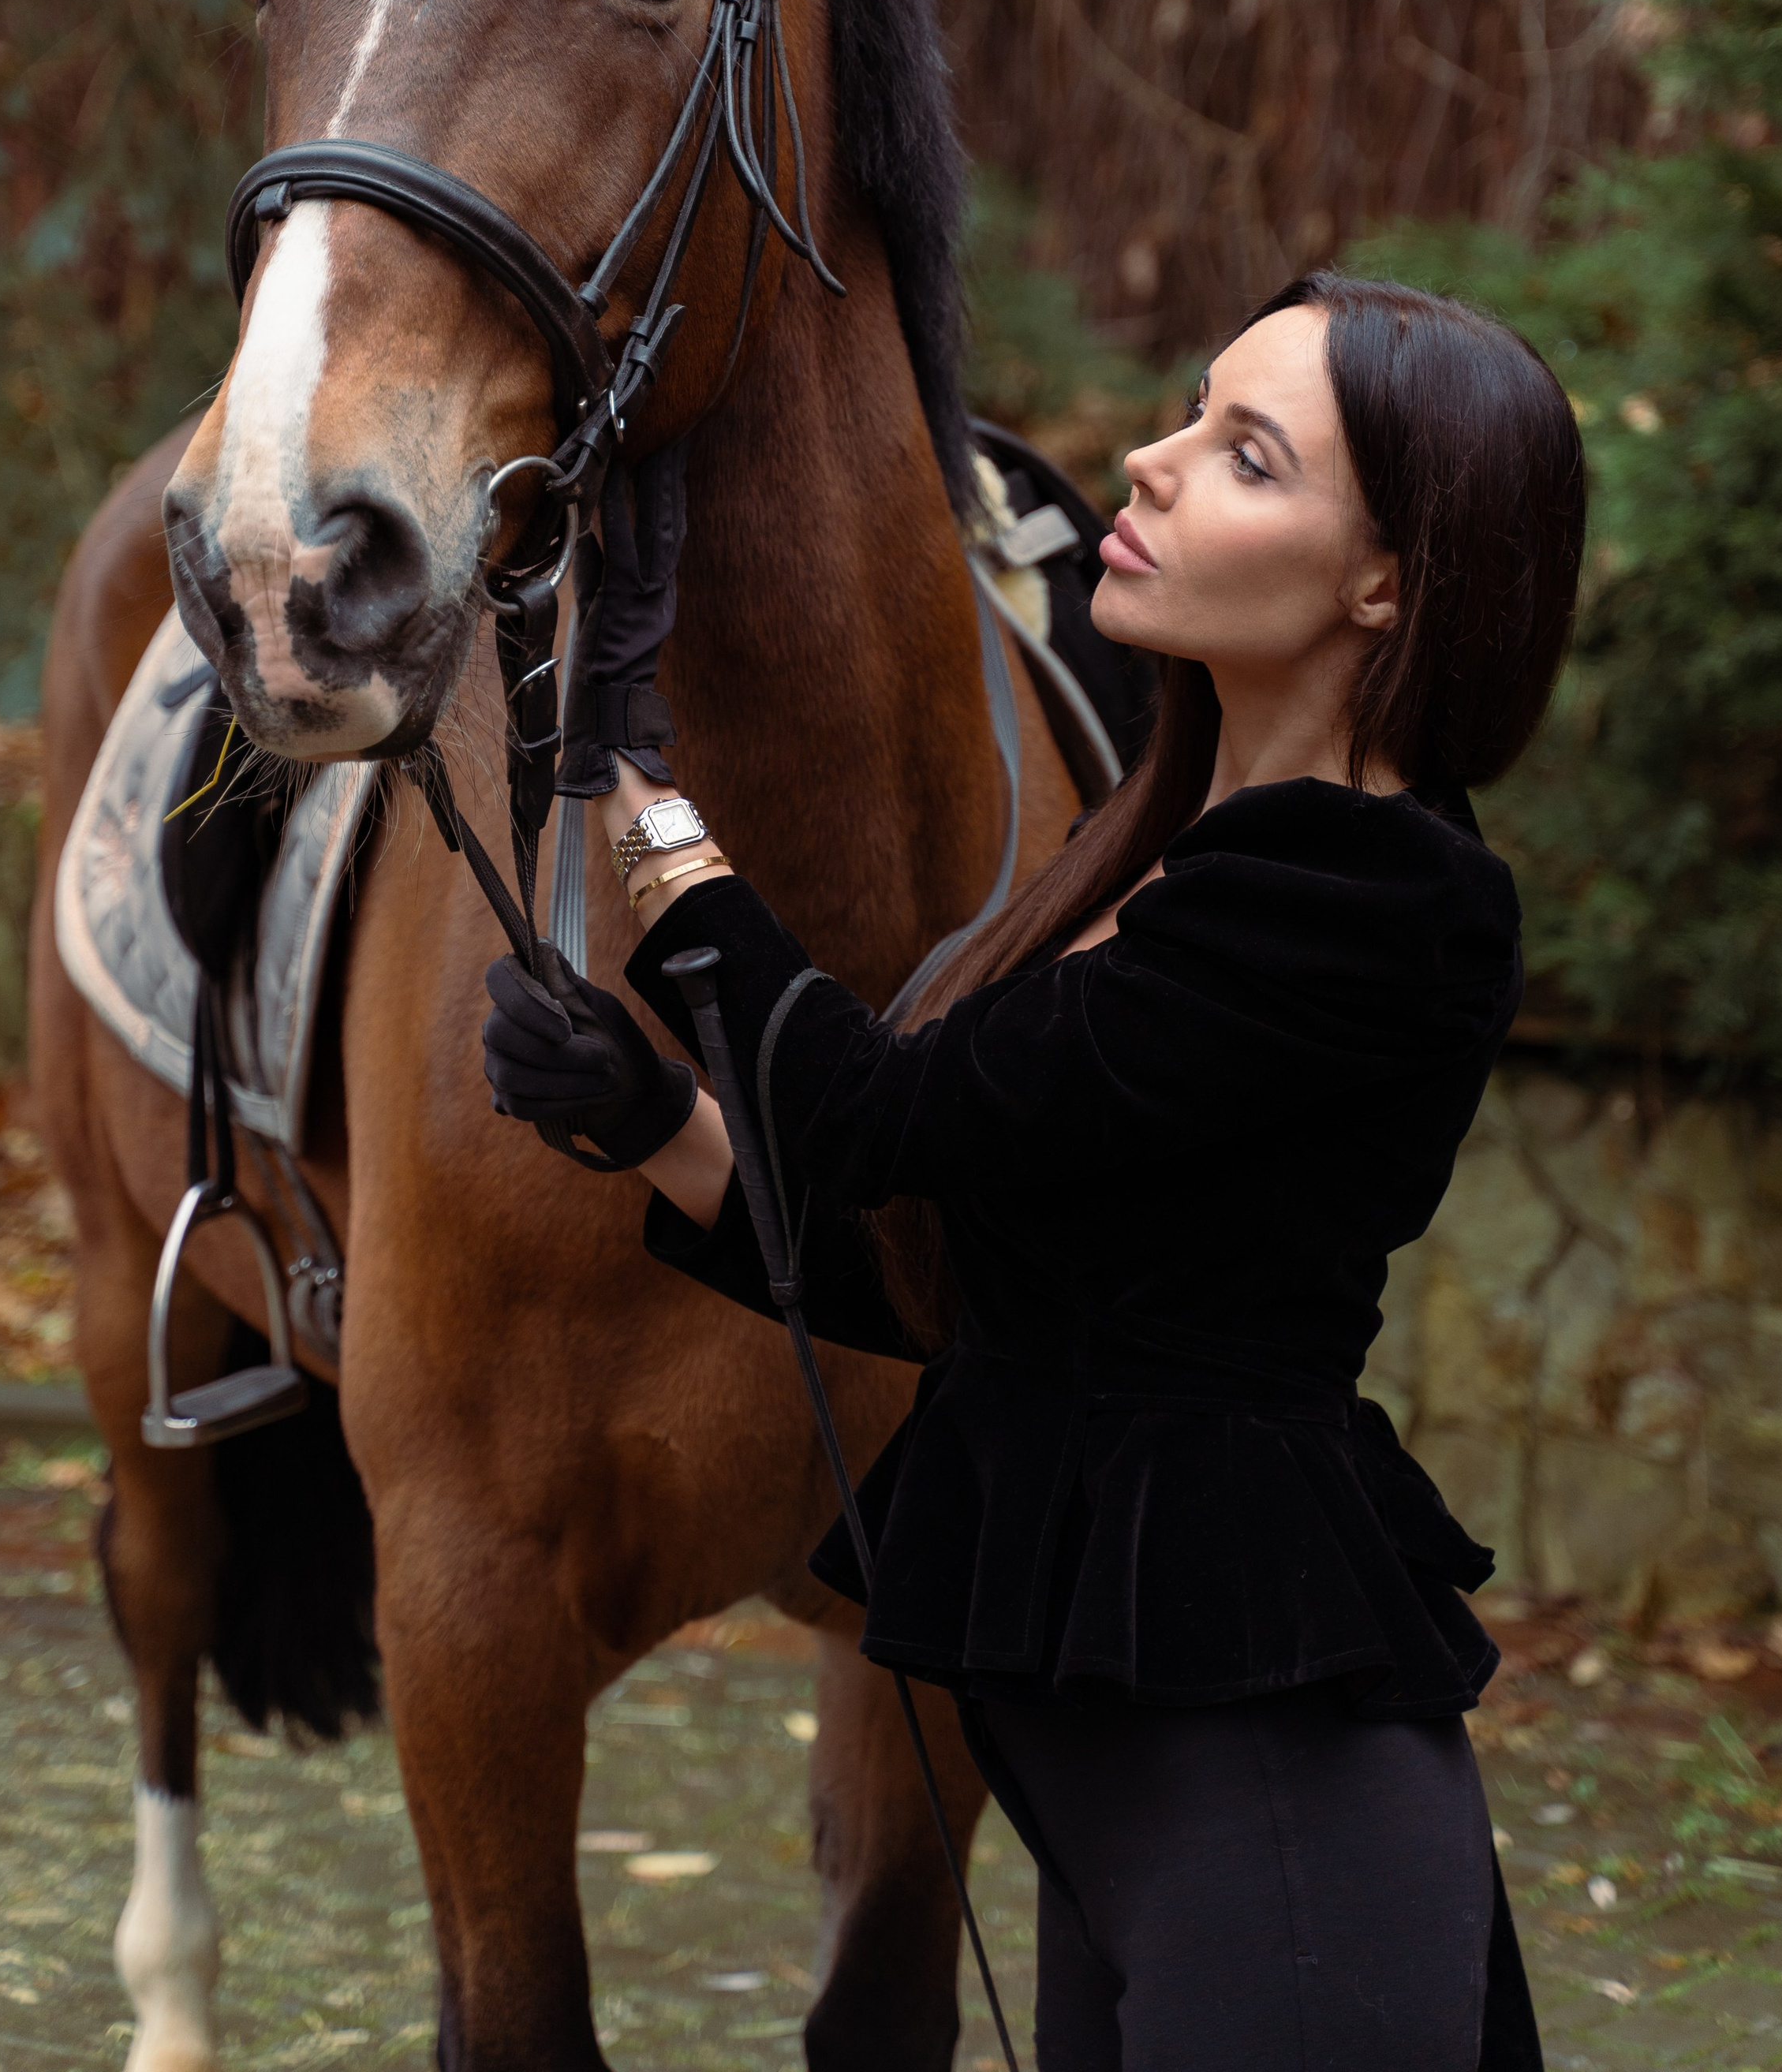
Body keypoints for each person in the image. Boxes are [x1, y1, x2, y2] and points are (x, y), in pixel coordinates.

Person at [483, 269, 1586, 2072]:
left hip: (1269, 1808)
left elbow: (870, 1118)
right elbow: (970, 1277)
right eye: (1185, 413)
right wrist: (654, 1125)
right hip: (1141, 1807)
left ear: (1385, 583)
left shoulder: (1368, 896)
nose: (1141, 468)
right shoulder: (1167, 855)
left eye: (1242, 456)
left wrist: (660, 835)